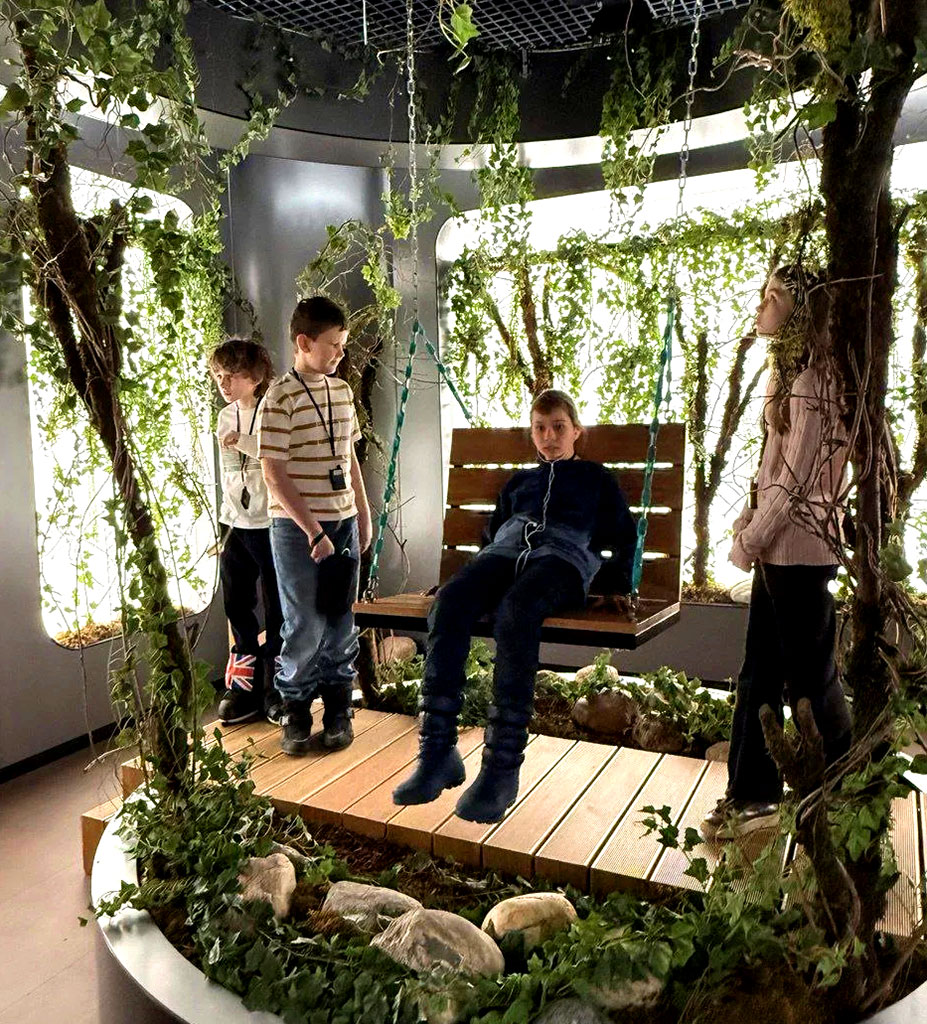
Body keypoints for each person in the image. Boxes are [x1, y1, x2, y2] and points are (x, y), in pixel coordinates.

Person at [392, 389, 638, 824]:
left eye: (558, 427)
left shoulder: (596, 479)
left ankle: (501, 769)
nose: (549, 436)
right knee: (451, 602)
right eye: (540, 428)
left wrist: (617, 583)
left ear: (576, 431)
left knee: (516, 611)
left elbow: (623, 534)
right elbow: (492, 535)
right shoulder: (519, 482)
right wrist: (468, 581)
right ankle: (437, 753)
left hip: (560, 563)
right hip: (504, 556)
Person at [701, 265, 852, 841]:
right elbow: (772, 473)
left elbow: (796, 484)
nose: (763, 305)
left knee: (809, 680)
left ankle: (839, 791)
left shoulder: (815, 381)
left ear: (801, 311)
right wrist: (749, 519)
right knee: (760, 673)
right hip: (779, 549)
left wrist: (749, 540)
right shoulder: (787, 374)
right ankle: (752, 793)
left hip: (802, 551)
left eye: (775, 297)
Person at [258, 296, 372, 756]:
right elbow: (273, 473)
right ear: (304, 343)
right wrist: (313, 531)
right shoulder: (279, 397)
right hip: (295, 530)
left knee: (342, 617)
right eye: (333, 345)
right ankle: (296, 708)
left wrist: (363, 514)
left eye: (343, 344)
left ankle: (339, 709)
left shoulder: (341, 391)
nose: (341, 353)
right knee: (304, 620)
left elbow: (350, 458)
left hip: (343, 522)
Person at [211, 338, 284, 725]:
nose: (224, 383)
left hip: (270, 520)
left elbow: (276, 453)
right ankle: (243, 687)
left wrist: (242, 441)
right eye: (219, 376)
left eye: (233, 375)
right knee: (237, 605)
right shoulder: (225, 416)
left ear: (255, 377)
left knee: (277, 607)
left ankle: (277, 687)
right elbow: (228, 472)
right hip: (233, 521)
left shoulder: (272, 409)